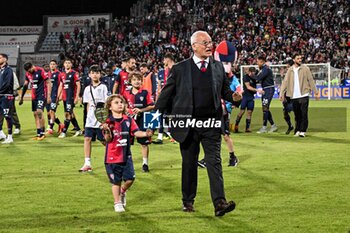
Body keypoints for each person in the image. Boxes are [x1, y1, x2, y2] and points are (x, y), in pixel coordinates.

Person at [155, 31, 239, 216]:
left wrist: (235, 97)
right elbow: (165, 96)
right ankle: (188, 201)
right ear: (194, 46)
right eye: (205, 42)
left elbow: (225, 92)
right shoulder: (179, 69)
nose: (210, 45)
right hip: (188, 125)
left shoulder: (218, 68)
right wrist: (155, 121)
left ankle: (219, 203)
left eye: (210, 42)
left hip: (211, 124)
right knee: (189, 163)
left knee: (214, 161)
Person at [101, 94, 153, 212]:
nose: (120, 104)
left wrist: (146, 134)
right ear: (109, 106)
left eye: (121, 102)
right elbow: (107, 140)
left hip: (126, 156)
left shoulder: (128, 120)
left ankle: (123, 192)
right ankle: (117, 202)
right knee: (116, 181)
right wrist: (107, 131)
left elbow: (136, 132)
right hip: (112, 157)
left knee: (130, 179)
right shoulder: (107, 121)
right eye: (116, 102)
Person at [198, 40, 241, 168]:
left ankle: (233, 156)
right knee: (208, 135)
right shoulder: (213, 72)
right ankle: (207, 158)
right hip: (211, 110)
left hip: (223, 111)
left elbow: (237, 90)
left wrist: (236, 97)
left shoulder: (232, 78)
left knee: (225, 135)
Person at [279, 53, 319, 137]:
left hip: (304, 94)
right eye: (298, 58)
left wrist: (316, 92)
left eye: (300, 58)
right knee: (297, 115)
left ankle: (302, 131)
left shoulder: (305, 68)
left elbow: (310, 80)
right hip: (294, 96)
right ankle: (297, 130)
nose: (300, 60)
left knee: (304, 114)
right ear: (294, 60)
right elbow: (285, 82)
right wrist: (281, 93)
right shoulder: (290, 70)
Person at [122, 72, 154, 172]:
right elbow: (123, 104)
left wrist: (141, 110)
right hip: (129, 120)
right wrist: (126, 109)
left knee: (144, 143)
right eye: (134, 79)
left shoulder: (145, 92)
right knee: (126, 143)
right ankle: (126, 163)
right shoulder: (126, 92)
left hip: (142, 120)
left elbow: (152, 105)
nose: (136, 81)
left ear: (141, 81)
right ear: (130, 81)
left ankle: (145, 164)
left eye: (138, 79)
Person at [79, 65, 108, 172]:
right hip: (90, 118)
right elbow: (87, 105)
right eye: (93, 73)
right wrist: (87, 118)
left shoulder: (103, 87)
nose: (95, 75)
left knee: (103, 140)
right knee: (87, 139)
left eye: (97, 72)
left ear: (100, 74)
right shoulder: (87, 89)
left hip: (100, 118)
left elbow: (107, 103)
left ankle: (114, 156)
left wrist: (105, 119)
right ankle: (87, 163)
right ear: (89, 74)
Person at [20, 62, 52, 140]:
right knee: (35, 114)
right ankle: (38, 133)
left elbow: (48, 82)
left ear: (32, 66)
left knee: (39, 111)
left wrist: (48, 96)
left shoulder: (40, 71)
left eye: (30, 69)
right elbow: (25, 85)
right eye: (27, 71)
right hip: (34, 96)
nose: (29, 71)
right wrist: (21, 98)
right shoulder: (28, 74)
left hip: (41, 95)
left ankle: (43, 132)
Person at [153, 53, 176, 144]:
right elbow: (159, 87)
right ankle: (160, 137)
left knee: (175, 116)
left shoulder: (177, 69)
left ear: (167, 59)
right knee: (160, 115)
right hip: (163, 98)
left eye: (164, 60)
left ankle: (174, 135)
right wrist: (157, 99)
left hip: (174, 97)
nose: (163, 62)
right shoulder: (161, 72)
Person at [57, 58, 82, 138]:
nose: (67, 64)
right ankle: (78, 130)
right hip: (65, 97)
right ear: (64, 64)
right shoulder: (62, 74)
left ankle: (64, 132)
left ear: (71, 64)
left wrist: (77, 97)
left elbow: (78, 85)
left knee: (68, 114)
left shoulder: (74, 73)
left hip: (71, 97)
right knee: (70, 113)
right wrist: (58, 96)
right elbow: (61, 85)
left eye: (69, 63)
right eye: (66, 63)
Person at [234, 67, 264, 133]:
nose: (253, 75)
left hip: (251, 97)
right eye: (252, 73)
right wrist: (257, 90)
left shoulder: (255, 77)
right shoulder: (245, 77)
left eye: (254, 74)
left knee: (249, 112)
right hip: (245, 96)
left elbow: (260, 79)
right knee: (242, 111)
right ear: (249, 72)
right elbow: (248, 87)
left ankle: (247, 128)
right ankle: (236, 126)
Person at [253, 55, 278, 133]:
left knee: (265, 108)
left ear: (262, 62)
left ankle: (264, 127)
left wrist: (250, 75)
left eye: (258, 62)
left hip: (269, 89)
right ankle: (273, 126)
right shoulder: (264, 69)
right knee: (265, 108)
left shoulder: (265, 69)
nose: (257, 64)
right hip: (265, 89)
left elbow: (258, 78)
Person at [46, 60, 64, 134]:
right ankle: (60, 124)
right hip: (48, 96)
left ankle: (50, 127)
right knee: (48, 113)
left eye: (54, 64)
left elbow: (61, 84)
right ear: (49, 65)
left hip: (54, 95)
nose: (52, 65)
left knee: (52, 111)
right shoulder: (47, 74)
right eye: (51, 64)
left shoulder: (59, 74)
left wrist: (59, 96)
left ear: (56, 65)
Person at [0, 53, 15, 144]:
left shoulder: (8, 70)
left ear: (5, 59)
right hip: (0, 96)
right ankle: (1, 133)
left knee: (7, 116)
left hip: (6, 96)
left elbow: (7, 84)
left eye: (0, 58)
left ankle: (10, 136)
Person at [280, 59, 294, 134]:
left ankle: (298, 129)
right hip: (287, 96)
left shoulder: (295, 74)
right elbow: (284, 86)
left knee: (297, 113)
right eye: (286, 67)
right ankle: (290, 126)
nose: (287, 68)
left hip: (293, 96)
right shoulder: (287, 75)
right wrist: (282, 95)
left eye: (288, 67)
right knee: (285, 113)